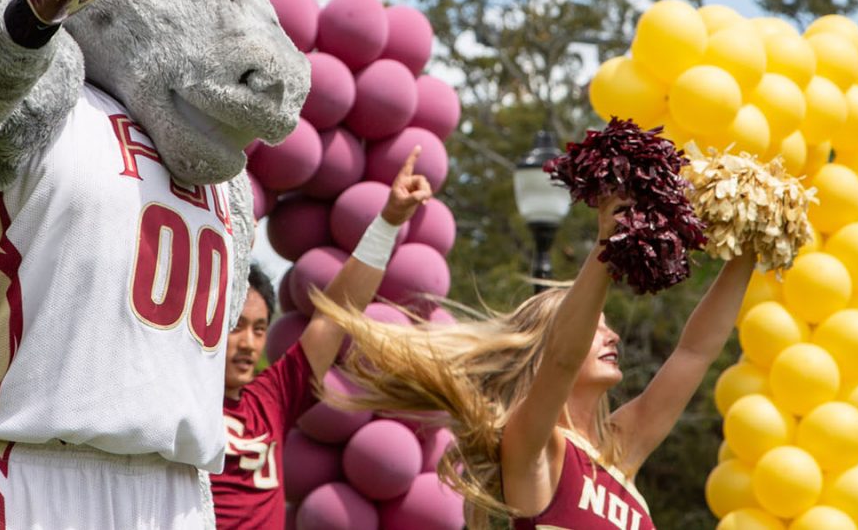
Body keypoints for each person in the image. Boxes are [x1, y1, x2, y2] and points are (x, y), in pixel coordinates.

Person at [313, 194, 756, 529]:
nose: (612, 335)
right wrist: (608, 241)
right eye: (595, 327)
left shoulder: (621, 450)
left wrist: (748, 249)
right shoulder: (534, 447)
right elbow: (561, 361)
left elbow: (694, 353)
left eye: (607, 325)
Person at [210, 150, 432, 528]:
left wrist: (389, 221)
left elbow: (335, 314)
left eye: (260, 329)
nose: (248, 343)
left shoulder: (272, 398)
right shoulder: (175, 402)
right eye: (237, 326)